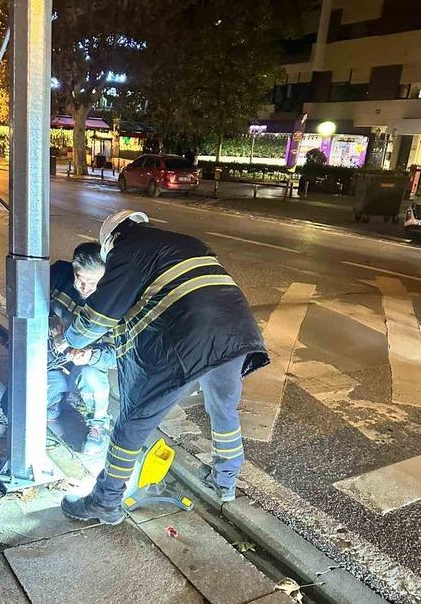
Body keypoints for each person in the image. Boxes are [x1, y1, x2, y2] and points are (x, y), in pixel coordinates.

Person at [58, 210, 269, 524]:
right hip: (235, 332)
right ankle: (225, 481)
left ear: (110, 240)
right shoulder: (181, 243)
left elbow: (102, 315)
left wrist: (71, 338)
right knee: (223, 408)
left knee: (132, 420)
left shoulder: (127, 249)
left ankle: (106, 500)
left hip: (189, 340)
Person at [0, 242, 113, 455]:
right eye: (80, 279)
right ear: (73, 269)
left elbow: (119, 354)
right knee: (13, 408)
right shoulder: (59, 275)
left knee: (91, 377)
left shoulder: (113, 299)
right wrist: (47, 320)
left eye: (93, 282)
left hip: (85, 364)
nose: (85, 288)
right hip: (53, 360)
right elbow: (26, 303)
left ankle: (98, 423)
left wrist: (91, 355)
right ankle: (54, 399)